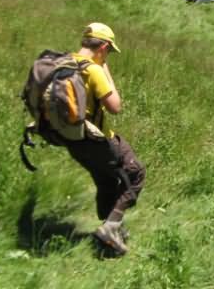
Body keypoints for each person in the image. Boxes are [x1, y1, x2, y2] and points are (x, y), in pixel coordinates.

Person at [67, 23, 145, 256]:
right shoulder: (94, 70)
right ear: (103, 46)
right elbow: (115, 107)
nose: (108, 55)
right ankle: (110, 227)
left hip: (73, 141)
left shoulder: (65, 62)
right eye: (109, 51)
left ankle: (110, 229)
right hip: (98, 140)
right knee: (136, 173)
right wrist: (105, 70)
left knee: (107, 181)